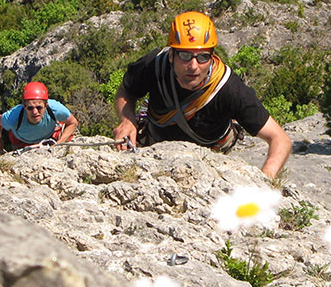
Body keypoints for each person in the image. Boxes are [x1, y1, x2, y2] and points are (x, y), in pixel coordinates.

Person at [113, 11, 292, 179]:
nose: (193, 66)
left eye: (203, 57)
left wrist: (265, 180)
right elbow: (127, 91)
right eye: (184, 55)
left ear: (212, 57)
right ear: (171, 55)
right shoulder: (154, 65)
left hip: (211, 153)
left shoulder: (229, 88)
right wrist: (127, 120)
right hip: (156, 143)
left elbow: (280, 139)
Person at [0, 81, 79, 153]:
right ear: (24, 106)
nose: (35, 112)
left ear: (46, 106)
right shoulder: (14, 115)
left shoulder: (54, 108)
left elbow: (72, 122)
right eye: (30, 108)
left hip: (49, 137)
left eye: (39, 107)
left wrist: (59, 143)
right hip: (22, 142)